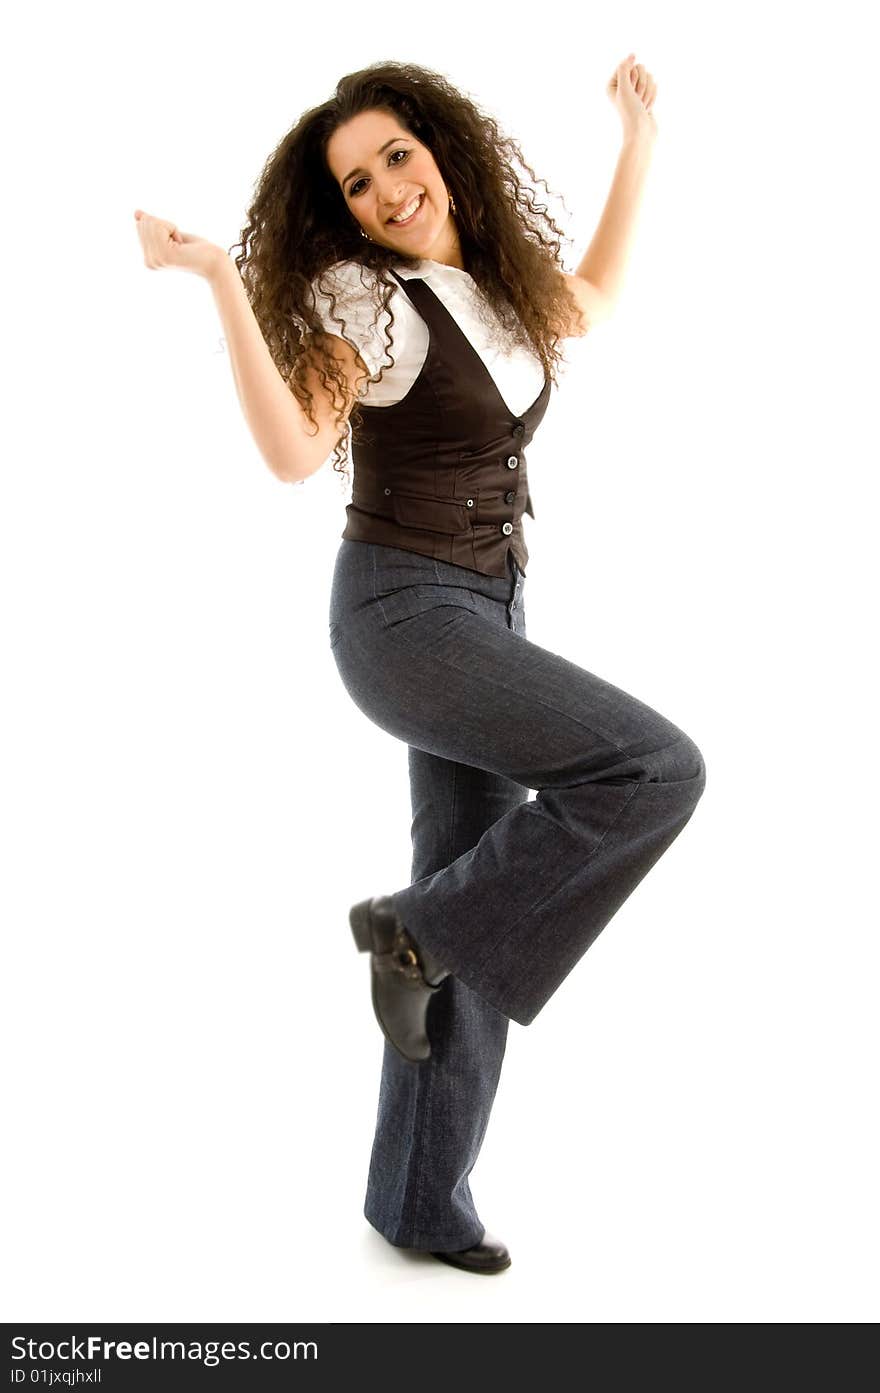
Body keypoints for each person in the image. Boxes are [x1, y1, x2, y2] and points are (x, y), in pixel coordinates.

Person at [134, 55, 706, 1278]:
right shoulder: (365, 302)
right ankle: (417, 927)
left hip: (485, 617)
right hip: (400, 620)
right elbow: (295, 452)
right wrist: (222, 282)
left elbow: (597, 290)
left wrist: (638, 145)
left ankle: (417, 1198)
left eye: (396, 156)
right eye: (355, 181)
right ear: (341, 214)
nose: (386, 189)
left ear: (440, 151)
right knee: (654, 771)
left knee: (486, 907)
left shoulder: (492, 290)